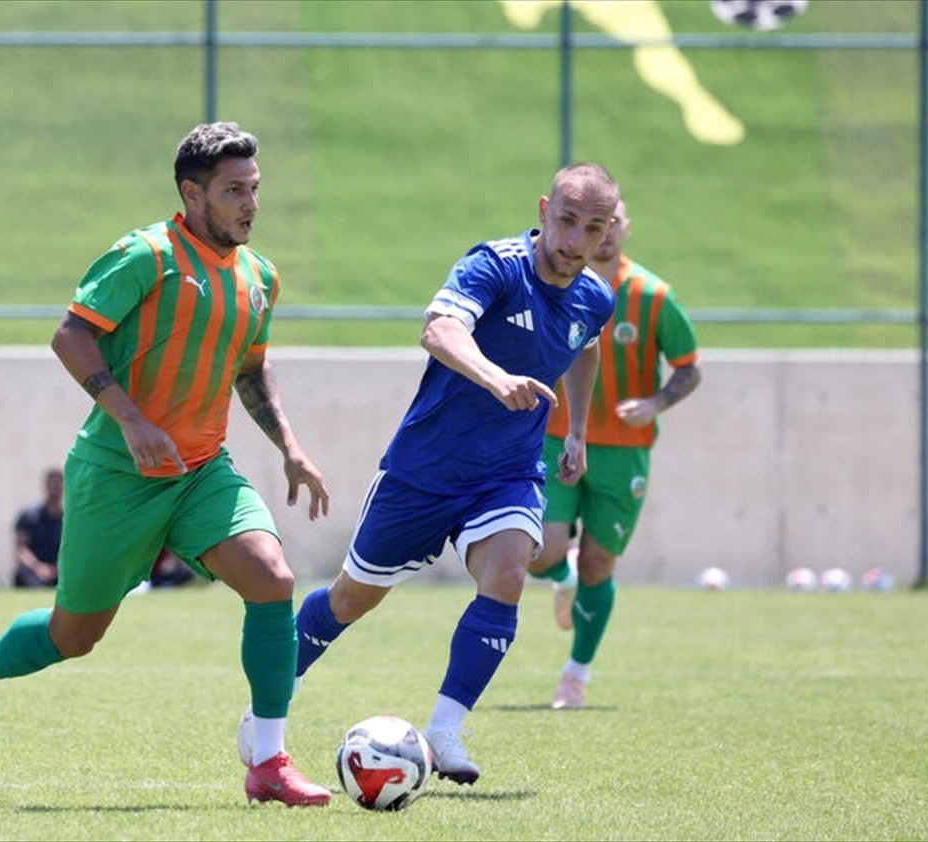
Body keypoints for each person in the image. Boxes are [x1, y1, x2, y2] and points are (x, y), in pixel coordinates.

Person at [0, 121, 334, 808]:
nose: (250, 204)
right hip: (117, 474)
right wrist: (130, 420)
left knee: (273, 578)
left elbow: (251, 369)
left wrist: (291, 449)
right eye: (233, 190)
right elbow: (71, 336)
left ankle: (268, 760)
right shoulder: (145, 255)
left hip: (200, 472)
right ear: (192, 193)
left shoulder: (259, 275)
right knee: (75, 635)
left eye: (255, 189)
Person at [240, 162, 620, 786]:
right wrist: (498, 380)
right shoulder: (495, 266)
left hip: (508, 473)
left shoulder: (593, 296)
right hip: (424, 471)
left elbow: (586, 343)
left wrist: (576, 428)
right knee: (349, 600)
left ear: (607, 231)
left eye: (593, 227)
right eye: (568, 220)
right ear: (545, 208)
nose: (576, 239)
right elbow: (439, 329)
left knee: (508, 572)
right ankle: (266, 711)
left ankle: (445, 729)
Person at [526, 198, 701, 709]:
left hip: (624, 453)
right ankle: (562, 578)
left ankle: (575, 676)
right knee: (539, 551)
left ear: (624, 228)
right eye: (589, 224)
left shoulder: (652, 296)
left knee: (601, 564)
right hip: (556, 436)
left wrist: (657, 402)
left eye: (610, 223)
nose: (600, 234)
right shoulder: (552, 280)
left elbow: (690, 367)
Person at [12, 468, 64, 588]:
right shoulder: (28, 516)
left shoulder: (69, 520)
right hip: (33, 571)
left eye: (57, 484)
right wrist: (38, 567)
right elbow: (21, 549)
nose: (54, 488)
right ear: (45, 486)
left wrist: (58, 569)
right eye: (51, 484)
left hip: (60, 572)